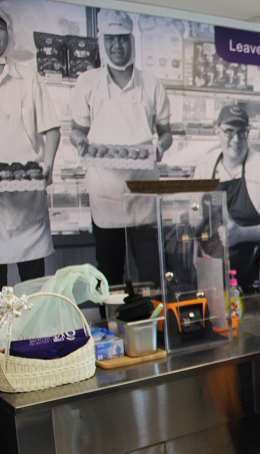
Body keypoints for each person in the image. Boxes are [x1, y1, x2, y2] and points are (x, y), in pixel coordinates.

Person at [69, 9, 172, 286]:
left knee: (150, 272)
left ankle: (153, 328)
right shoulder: (87, 83)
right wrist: (80, 142)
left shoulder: (151, 85)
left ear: (132, 41)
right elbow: (76, 130)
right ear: (103, 42)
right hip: (105, 191)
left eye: (123, 39)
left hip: (143, 192)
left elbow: (165, 133)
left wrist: (160, 148)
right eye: (111, 39)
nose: (117, 46)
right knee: (109, 271)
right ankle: (111, 328)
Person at [0, 4, 60, 333]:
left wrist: (48, 163)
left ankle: (35, 337)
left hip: (26, 198)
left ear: (8, 32)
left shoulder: (28, 78)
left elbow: (51, 128)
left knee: (33, 281)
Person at [193, 104, 260, 290]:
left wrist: (241, 234)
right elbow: (196, 219)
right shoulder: (204, 166)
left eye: (242, 132)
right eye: (229, 131)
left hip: (254, 272)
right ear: (217, 130)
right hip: (214, 269)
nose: (236, 139)